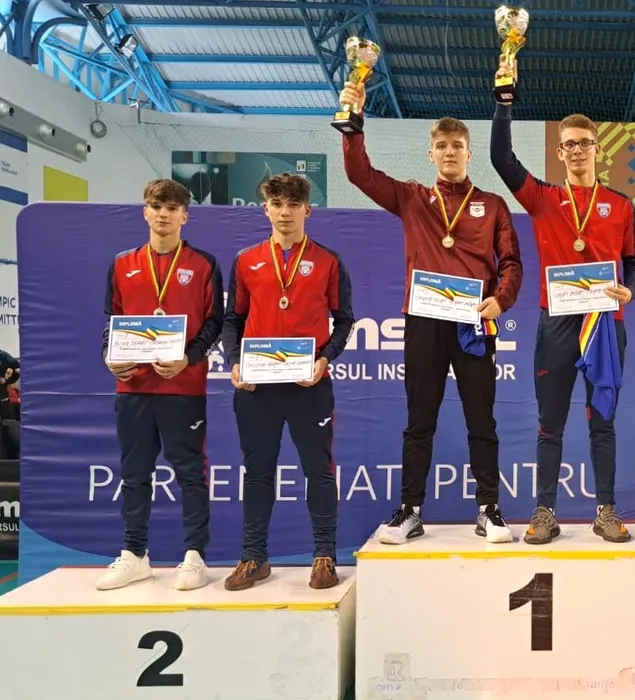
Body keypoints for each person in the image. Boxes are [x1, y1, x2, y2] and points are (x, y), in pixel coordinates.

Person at [339, 82, 523, 545]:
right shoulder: (412, 197)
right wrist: (353, 125)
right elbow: (360, 174)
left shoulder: (493, 205)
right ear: (430, 154)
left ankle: (489, 509)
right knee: (419, 419)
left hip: (473, 323)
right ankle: (410, 510)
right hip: (423, 321)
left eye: (457, 145)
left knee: (481, 420)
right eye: (441, 146)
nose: (449, 152)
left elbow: (512, 263)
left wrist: (500, 300)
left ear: (469, 153)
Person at [491, 60, 635, 545]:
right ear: (560, 152)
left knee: (603, 422)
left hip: (604, 324)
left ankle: (605, 511)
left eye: (585, 143)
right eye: (570, 144)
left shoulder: (621, 205)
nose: (578, 150)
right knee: (550, 424)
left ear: (598, 149)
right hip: (556, 322)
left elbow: (634, 261)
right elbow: (501, 158)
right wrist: (504, 102)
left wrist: (631, 289)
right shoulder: (542, 198)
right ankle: (545, 512)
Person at [221, 173, 355, 591]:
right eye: (277, 204)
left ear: (307, 210)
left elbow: (344, 320)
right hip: (257, 389)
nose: (285, 212)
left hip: (308, 386)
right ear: (265, 209)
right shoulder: (246, 260)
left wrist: (324, 358)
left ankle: (324, 557)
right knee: (257, 472)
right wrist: (235, 362)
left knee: (318, 471)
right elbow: (233, 319)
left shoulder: (329, 261)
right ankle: (254, 557)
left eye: (293, 205)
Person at [97, 178, 224, 591]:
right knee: (134, 473)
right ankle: (135, 555)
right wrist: (109, 354)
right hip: (133, 388)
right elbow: (112, 319)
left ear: (185, 216)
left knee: (190, 473)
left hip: (182, 387)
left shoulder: (204, 264)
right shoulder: (122, 263)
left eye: (172, 208)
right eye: (157, 206)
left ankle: (195, 556)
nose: (164, 214)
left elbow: (214, 323)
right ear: (145, 212)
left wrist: (188, 358)